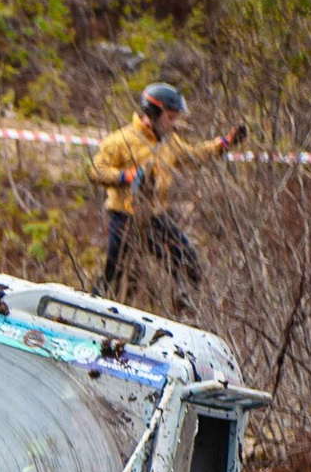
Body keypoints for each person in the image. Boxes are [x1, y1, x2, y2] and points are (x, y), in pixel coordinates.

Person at [88, 82, 245, 309]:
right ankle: (91, 311)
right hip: (125, 219)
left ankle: (183, 314)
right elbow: (96, 170)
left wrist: (224, 143)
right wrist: (125, 176)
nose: (173, 124)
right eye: (170, 118)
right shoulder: (120, 140)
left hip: (156, 218)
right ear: (153, 113)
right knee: (115, 279)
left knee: (189, 265)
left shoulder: (169, 142)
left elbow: (193, 156)